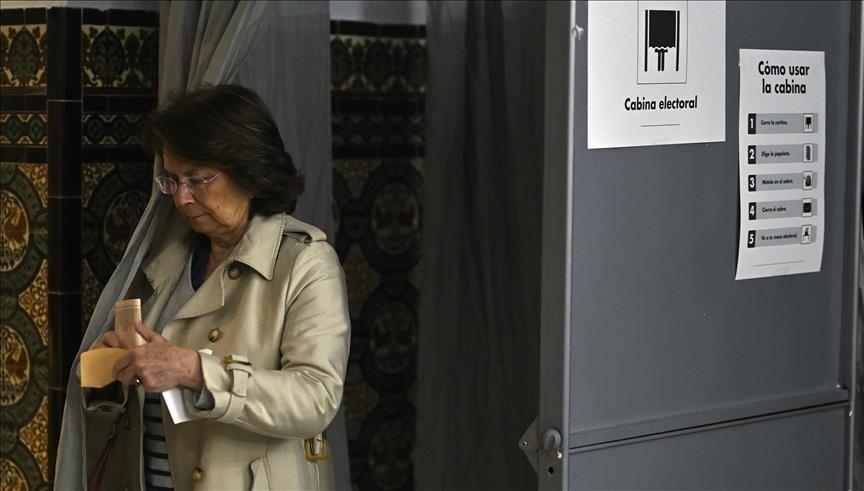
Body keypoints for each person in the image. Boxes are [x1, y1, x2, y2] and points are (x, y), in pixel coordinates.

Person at [55, 84, 350, 490]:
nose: (182, 199)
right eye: (173, 181)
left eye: (197, 179)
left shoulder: (305, 262)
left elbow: (315, 399)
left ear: (250, 172)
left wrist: (194, 370)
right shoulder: (164, 258)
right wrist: (114, 369)